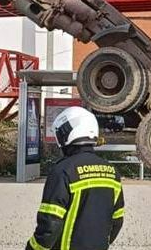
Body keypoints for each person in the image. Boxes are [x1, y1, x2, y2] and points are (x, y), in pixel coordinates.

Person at [27, 106, 124, 250]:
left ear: (66, 134)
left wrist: (32, 248)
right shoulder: (112, 172)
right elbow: (117, 220)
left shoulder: (63, 171)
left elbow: (50, 224)